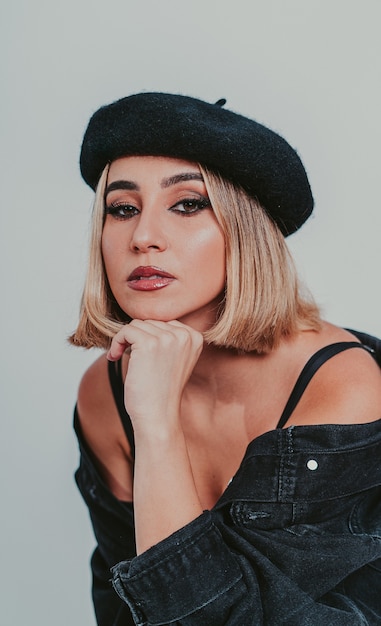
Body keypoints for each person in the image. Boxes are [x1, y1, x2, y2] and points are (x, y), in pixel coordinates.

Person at [70, 92, 381, 626]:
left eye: (188, 204)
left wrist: (158, 427)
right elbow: (125, 606)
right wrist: (147, 411)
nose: (143, 237)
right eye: (122, 209)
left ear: (246, 231)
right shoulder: (109, 391)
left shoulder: (343, 383)